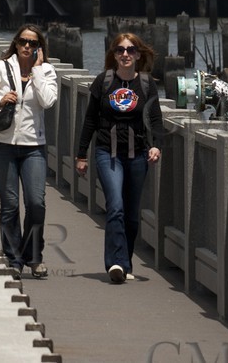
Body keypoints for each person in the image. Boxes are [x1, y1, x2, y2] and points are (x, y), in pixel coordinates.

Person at [76, 33, 164, 284]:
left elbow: (156, 120)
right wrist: (81, 155)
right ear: (113, 54)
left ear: (138, 54)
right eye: (120, 50)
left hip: (137, 154)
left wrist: (157, 146)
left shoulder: (146, 84)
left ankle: (125, 262)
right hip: (107, 152)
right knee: (115, 205)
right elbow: (90, 120)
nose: (125, 54)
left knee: (132, 215)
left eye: (130, 50)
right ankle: (115, 263)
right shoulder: (104, 81)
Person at [0, 25, 59, 277]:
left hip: (33, 147)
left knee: (36, 203)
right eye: (23, 41)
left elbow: (48, 101)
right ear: (16, 43)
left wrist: (37, 70)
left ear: (39, 47)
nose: (27, 46)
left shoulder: (47, 71)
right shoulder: (0, 68)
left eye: (33, 43)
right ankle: (14, 259)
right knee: (10, 204)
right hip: (2, 145)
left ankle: (34, 256)